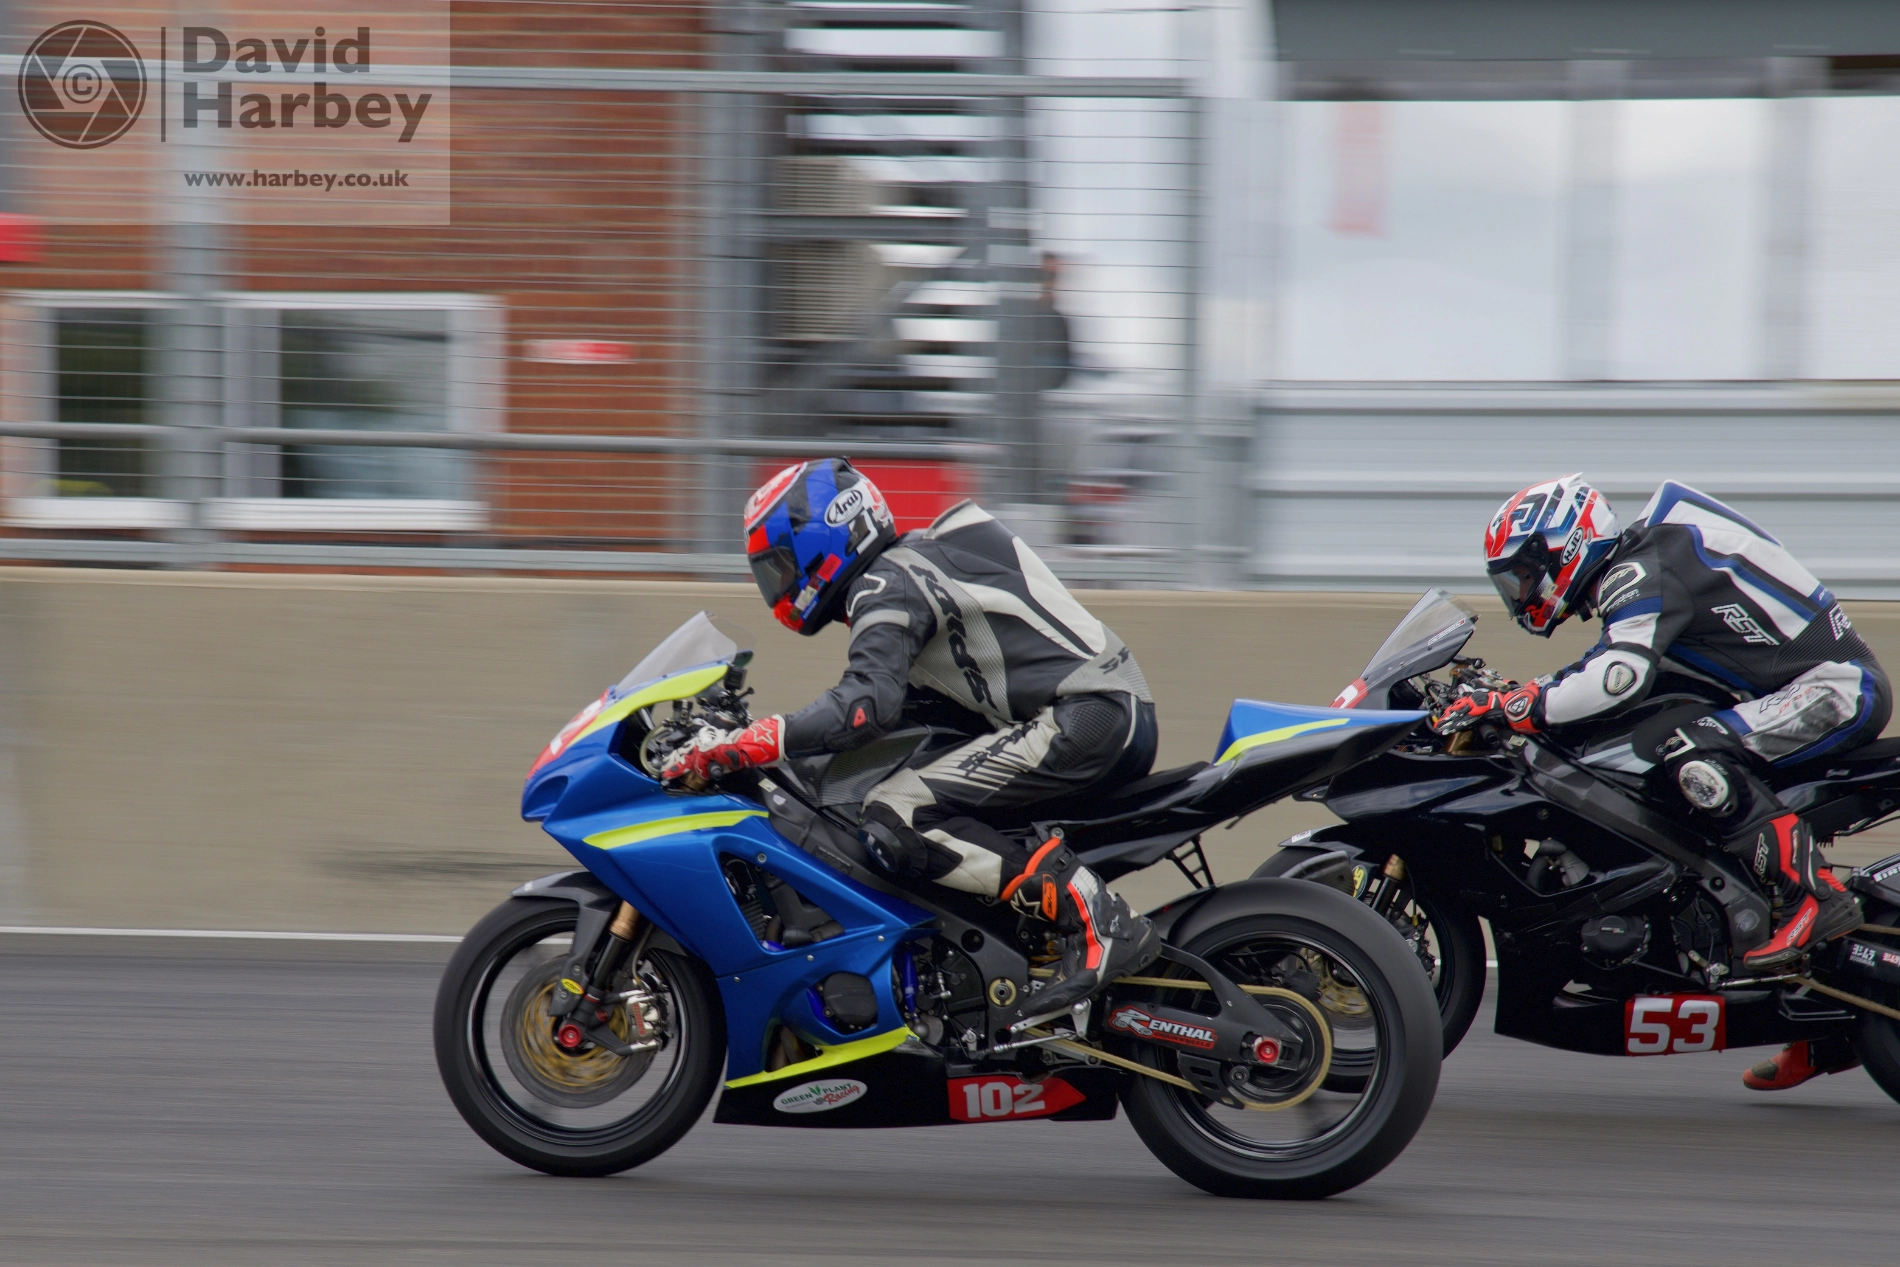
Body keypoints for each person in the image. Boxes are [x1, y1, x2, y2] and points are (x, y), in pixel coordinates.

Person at [662, 457, 1160, 1028]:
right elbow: (909, 715)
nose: (778, 581)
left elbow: (862, 708)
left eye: (780, 563)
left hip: (1086, 719)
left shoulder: (886, 581)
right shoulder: (911, 565)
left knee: (898, 814)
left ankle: (1096, 920)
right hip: (1096, 713)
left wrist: (749, 743)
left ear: (825, 535)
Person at [1436, 475, 1890, 1092]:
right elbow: (1609, 663)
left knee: (1692, 752)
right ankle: (1828, 1028)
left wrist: (1518, 703)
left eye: (1524, 572)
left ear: (1564, 546)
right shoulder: (1645, 566)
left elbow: (1617, 675)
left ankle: (1811, 899)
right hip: (1800, 691)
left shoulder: (1642, 566)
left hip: (1835, 690)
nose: (1521, 592)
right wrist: (1523, 695)